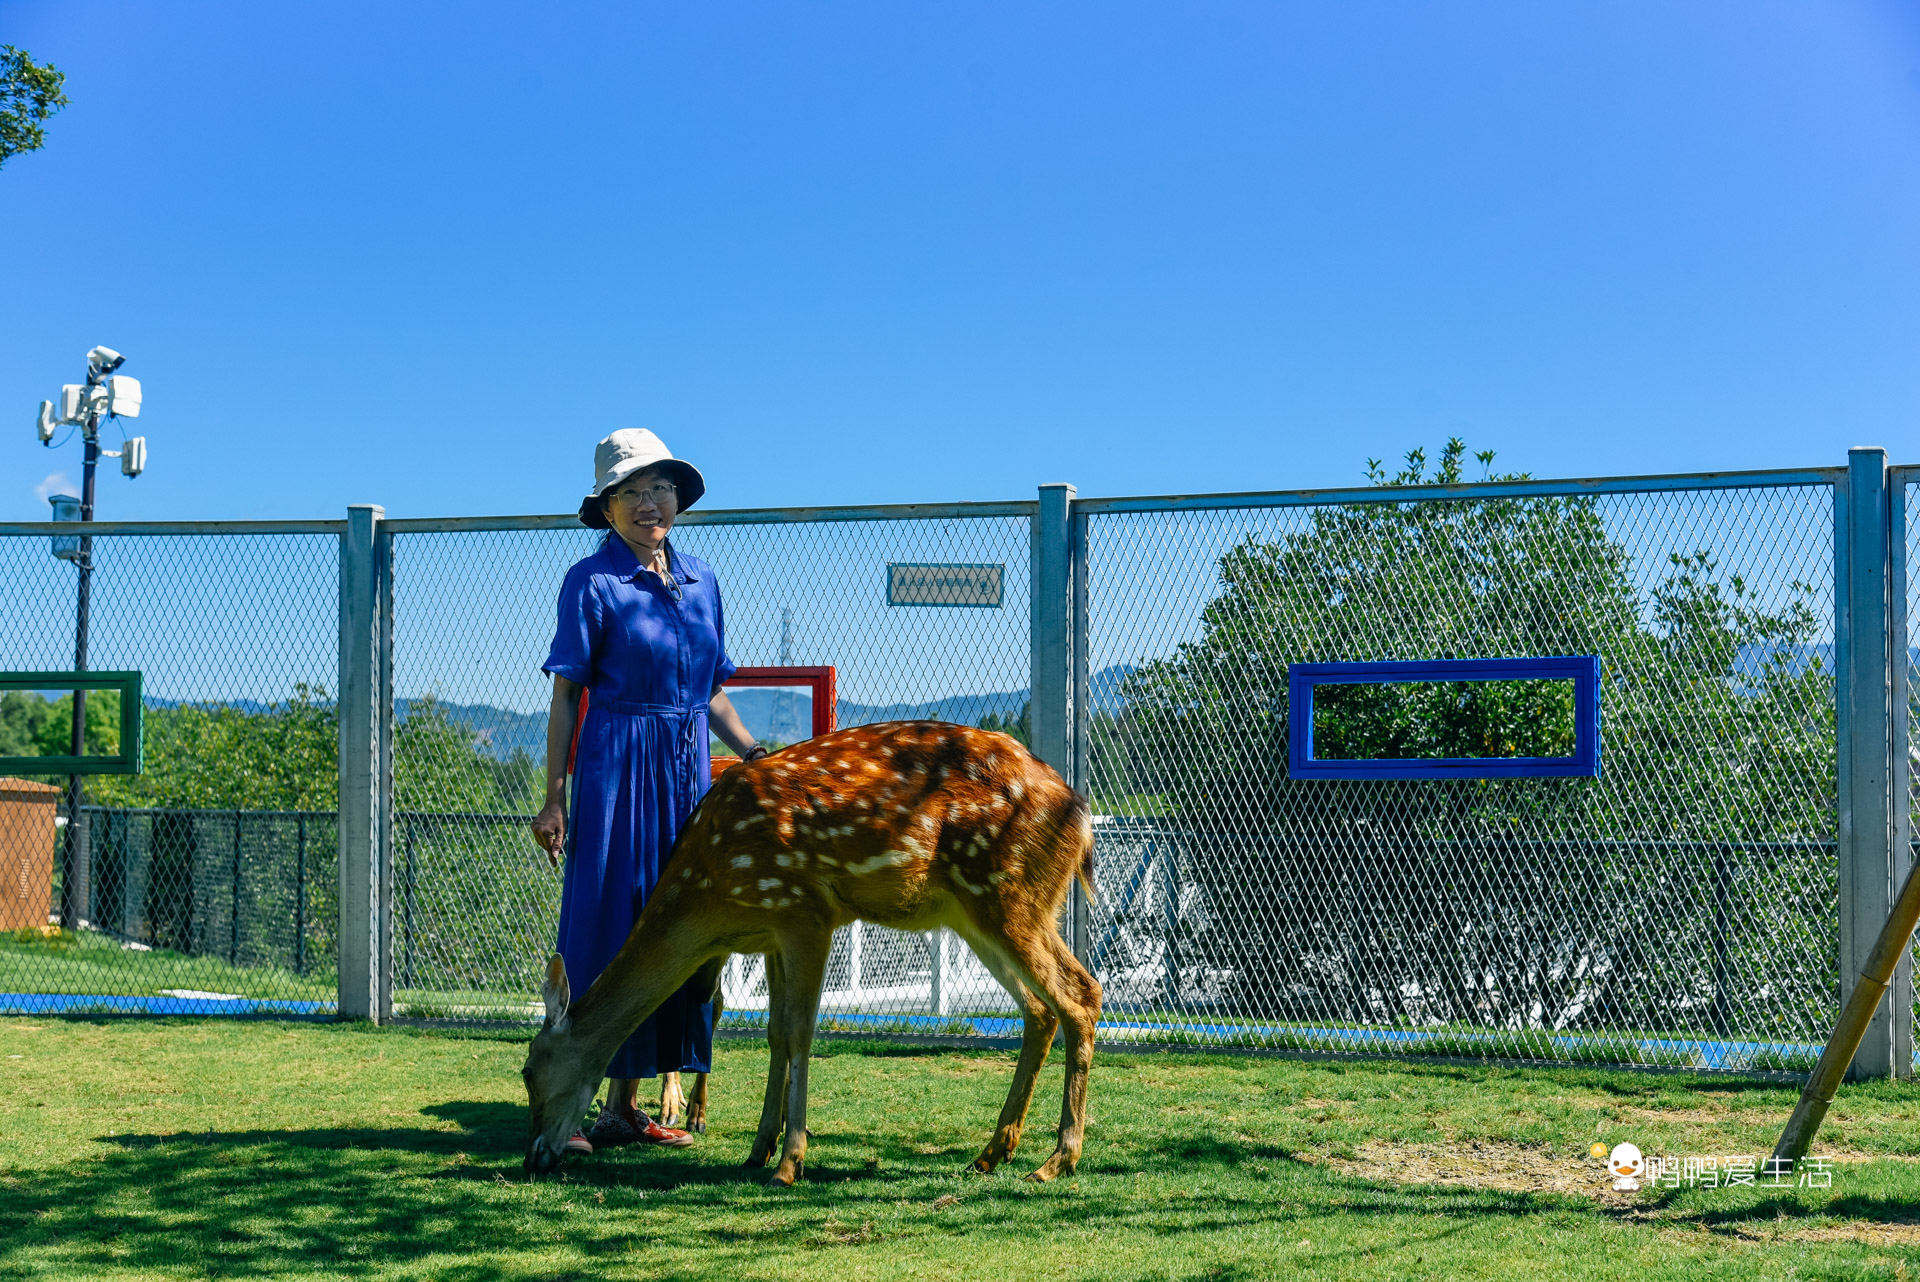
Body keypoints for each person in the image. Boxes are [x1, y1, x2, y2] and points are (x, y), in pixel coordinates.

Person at [530, 428, 765, 1156]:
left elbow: (711, 694)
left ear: (678, 498)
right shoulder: (590, 583)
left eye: (659, 488)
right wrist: (555, 796)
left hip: (687, 776)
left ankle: (625, 1111)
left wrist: (756, 758)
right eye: (630, 492)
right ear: (605, 508)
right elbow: (567, 697)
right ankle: (577, 1100)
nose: (647, 503)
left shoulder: (704, 581)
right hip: (614, 770)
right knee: (607, 922)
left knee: (673, 929)